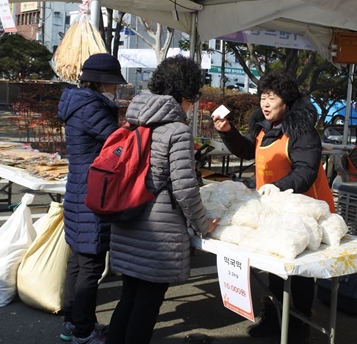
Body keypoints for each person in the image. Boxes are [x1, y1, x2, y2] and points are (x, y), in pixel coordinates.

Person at [212, 70, 335, 343]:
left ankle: (297, 324)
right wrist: (229, 132)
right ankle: (274, 318)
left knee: (298, 274)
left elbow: (305, 172)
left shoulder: (302, 133)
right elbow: (248, 151)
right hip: (275, 210)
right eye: (263, 97)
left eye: (272, 97)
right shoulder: (264, 127)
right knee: (274, 268)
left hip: (307, 212)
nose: (265, 103)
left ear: (287, 101)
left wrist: (277, 187)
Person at [106, 55, 219, 344]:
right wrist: (203, 224)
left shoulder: (134, 120)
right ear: (183, 94)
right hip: (159, 232)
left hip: (127, 219)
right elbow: (184, 188)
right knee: (147, 305)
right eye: (192, 98)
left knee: (129, 297)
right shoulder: (176, 131)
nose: (191, 105)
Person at [57, 53, 128, 344]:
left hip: (77, 189)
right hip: (94, 193)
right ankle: (84, 331)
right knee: (90, 266)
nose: (115, 89)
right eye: (113, 84)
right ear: (103, 82)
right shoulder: (93, 107)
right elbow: (117, 143)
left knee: (78, 261)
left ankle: (73, 324)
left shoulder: (78, 102)